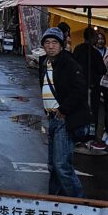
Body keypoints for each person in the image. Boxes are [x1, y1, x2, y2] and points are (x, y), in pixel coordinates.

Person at [38, 27, 92, 198]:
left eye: (54, 42)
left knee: (62, 165)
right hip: (52, 117)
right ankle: (54, 199)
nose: (51, 46)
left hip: (64, 118)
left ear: (61, 45)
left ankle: (78, 204)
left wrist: (63, 109)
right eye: (47, 43)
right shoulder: (44, 62)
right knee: (53, 166)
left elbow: (80, 89)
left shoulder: (69, 63)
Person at [71, 27, 108, 153]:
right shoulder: (95, 53)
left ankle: (78, 136)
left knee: (79, 110)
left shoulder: (77, 49)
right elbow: (103, 70)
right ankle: (90, 137)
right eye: (96, 37)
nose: (97, 39)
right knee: (92, 112)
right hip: (92, 86)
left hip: (78, 86)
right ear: (92, 38)